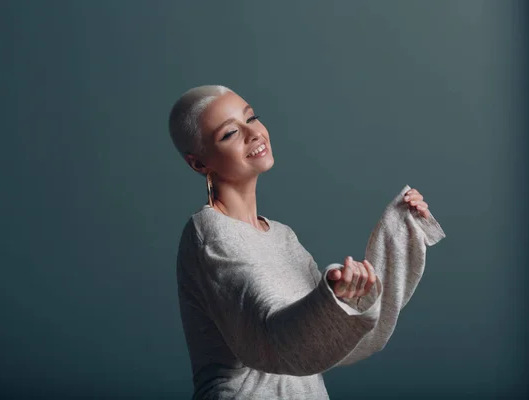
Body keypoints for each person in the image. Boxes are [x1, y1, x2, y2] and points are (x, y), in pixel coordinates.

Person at [169, 85, 443, 399]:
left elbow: (330, 344)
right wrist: (333, 302)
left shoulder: (283, 236)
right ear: (199, 163)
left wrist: (398, 230)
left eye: (252, 118)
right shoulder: (209, 234)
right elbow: (272, 345)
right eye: (230, 133)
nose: (254, 133)